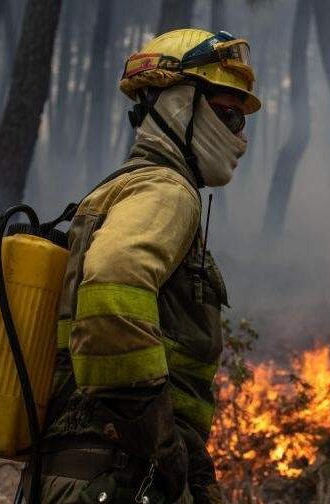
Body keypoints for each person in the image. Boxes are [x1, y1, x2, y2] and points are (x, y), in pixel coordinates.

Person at [23, 28, 261, 504]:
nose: (239, 135)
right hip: (117, 476)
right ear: (178, 105)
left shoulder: (117, 191)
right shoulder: (165, 191)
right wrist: (161, 443)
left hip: (82, 473)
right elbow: (112, 292)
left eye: (241, 119)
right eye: (227, 114)